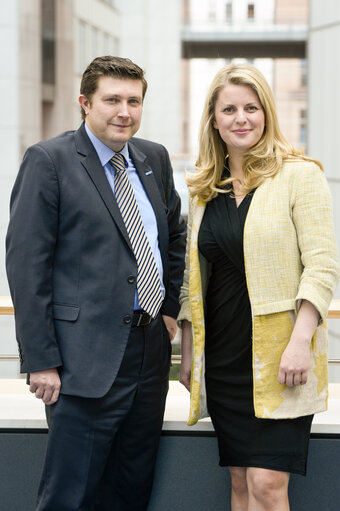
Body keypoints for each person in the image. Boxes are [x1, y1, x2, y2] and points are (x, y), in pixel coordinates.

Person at [6, 55, 186, 511]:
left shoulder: (154, 159)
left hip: (148, 359)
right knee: (71, 495)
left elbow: (174, 235)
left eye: (133, 100)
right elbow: (27, 267)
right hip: (80, 362)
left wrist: (166, 309)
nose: (124, 111)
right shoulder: (50, 160)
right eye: (112, 100)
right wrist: (41, 360)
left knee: (131, 490)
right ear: (85, 103)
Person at [178, 63, 339, 511]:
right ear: (214, 119)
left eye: (251, 107)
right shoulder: (204, 190)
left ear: (266, 113)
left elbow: (323, 266)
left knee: (268, 485)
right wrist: (189, 351)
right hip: (226, 358)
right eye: (229, 109)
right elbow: (193, 280)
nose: (241, 118)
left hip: (281, 359)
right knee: (240, 483)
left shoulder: (299, 175)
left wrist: (300, 342)